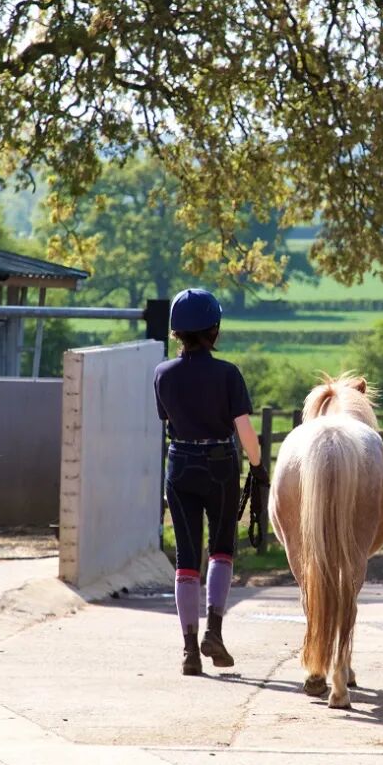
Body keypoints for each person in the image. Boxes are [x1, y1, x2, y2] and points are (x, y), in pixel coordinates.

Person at [153, 288, 269, 675]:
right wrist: (257, 465)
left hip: (179, 464)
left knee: (187, 560)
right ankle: (214, 631)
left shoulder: (162, 374)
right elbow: (244, 430)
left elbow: (168, 421)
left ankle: (189, 651)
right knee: (221, 550)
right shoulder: (227, 374)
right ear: (213, 330)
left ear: (176, 332)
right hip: (220, 465)